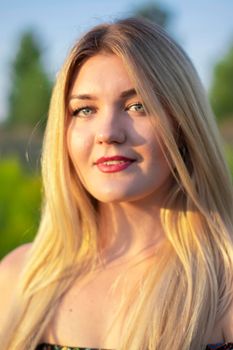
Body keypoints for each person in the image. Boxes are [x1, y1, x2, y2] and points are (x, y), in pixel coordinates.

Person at [0, 17, 233, 350]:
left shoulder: (224, 284)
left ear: (184, 124)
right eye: (84, 110)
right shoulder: (18, 277)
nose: (108, 132)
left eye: (137, 106)